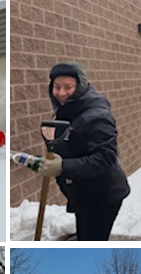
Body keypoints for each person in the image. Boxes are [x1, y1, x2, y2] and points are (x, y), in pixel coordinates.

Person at [35, 62, 131, 241]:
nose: (61, 93)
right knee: (85, 238)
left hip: (103, 195)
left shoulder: (96, 116)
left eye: (68, 87)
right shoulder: (70, 110)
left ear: (81, 86)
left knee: (92, 243)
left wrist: (63, 166)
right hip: (84, 194)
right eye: (57, 87)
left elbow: (106, 158)